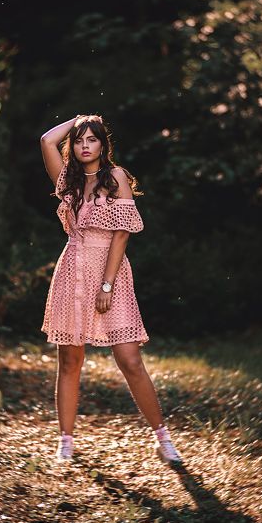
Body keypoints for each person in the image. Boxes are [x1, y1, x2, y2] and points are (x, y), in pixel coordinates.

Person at [40, 114, 181, 465]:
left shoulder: (116, 177)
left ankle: (162, 439)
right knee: (70, 360)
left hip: (110, 273)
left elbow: (122, 234)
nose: (84, 145)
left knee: (129, 359)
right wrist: (78, 120)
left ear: (104, 145)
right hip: (71, 271)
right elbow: (45, 141)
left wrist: (106, 283)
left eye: (91, 139)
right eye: (78, 140)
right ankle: (66, 441)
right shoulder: (69, 182)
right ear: (72, 146)